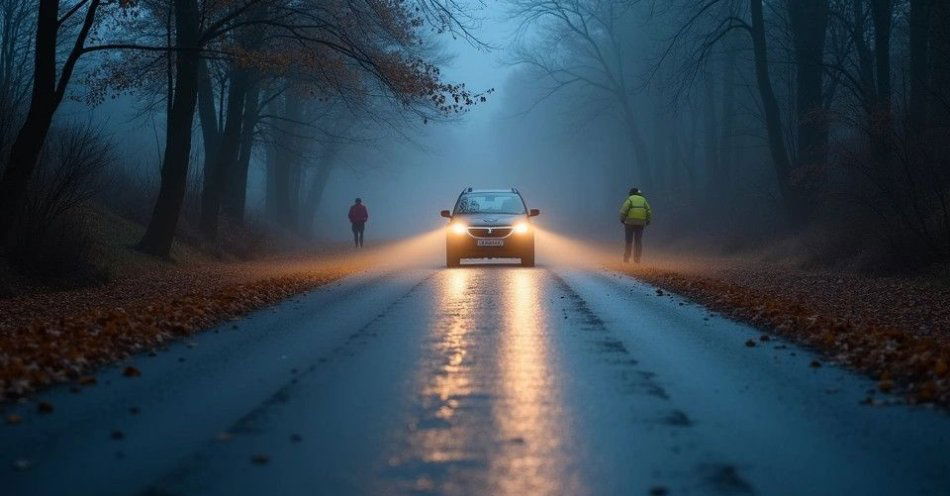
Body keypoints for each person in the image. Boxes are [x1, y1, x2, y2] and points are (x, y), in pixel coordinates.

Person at [619, 187, 651, 263]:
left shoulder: (630, 199)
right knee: (638, 241)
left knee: (629, 241)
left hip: (629, 223)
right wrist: (648, 220)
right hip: (641, 223)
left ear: (631, 193)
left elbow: (623, 210)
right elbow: (648, 211)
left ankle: (626, 258)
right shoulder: (643, 200)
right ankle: (637, 259)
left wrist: (622, 219)